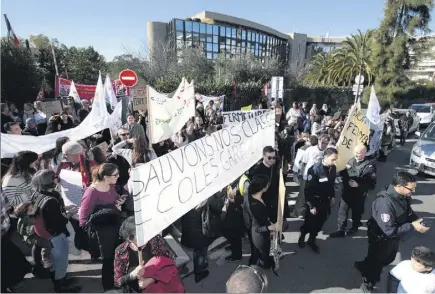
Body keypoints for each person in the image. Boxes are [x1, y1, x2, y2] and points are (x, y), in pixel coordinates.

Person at [355, 171, 430, 292]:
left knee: (387, 258)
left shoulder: (402, 197)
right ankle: (368, 282)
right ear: (400, 186)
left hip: (393, 237)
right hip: (382, 238)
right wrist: (412, 226)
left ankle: (363, 265)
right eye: (411, 189)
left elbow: (408, 211)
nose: (413, 191)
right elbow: (388, 230)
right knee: (377, 262)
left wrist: (416, 220)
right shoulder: (385, 203)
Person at [80, 163, 126, 291]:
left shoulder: (110, 186)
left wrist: (119, 203)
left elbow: (115, 200)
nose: (118, 177)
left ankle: (117, 281)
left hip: (114, 229)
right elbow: (83, 220)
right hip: (103, 235)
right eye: (115, 175)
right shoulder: (91, 193)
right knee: (108, 261)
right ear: (106, 177)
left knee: (116, 258)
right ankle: (108, 288)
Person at [113, 216, 176, 293]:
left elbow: (171, 264)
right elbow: (117, 282)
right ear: (129, 239)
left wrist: (152, 280)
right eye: (137, 240)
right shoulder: (121, 251)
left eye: (144, 236)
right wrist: (132, 275)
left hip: (158, 288)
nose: (142, 242)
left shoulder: (156, 240)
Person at [330, 144, 377, 237]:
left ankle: (354, 228)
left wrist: (358, 185)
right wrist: (337, 176)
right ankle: (341, 229)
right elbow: (344, 172)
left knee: (356, 213)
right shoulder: (351, 160)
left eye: (359, 153)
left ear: (365, 153)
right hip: (346, 192)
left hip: (358, 195)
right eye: (355, 152)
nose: (356, 155)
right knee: (342, 212)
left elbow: (371, 185)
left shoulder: (369, 167)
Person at [298, 147, 338, 253]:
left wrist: (332, 196)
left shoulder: (333, 168)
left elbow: (331, 184)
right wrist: (311, 206)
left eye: (335, 159)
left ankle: (312, 239)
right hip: (315, 201)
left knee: (320, 221)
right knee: (310, 222)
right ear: (325, 157)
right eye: (333, 159)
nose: (334, 162)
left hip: (325, 201)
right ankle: (302, 235)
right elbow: (308, 190)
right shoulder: (315, 169)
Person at [248, 175, 280, 270]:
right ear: (263, 188)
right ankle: (263, 269)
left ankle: (254, 266)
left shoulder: (252, 197)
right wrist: (272, 227)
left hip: (258, 231)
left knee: (256, 253)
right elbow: (258, 228)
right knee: (263, 254)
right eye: (267, 185)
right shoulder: (255, 206)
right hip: (260, 236)